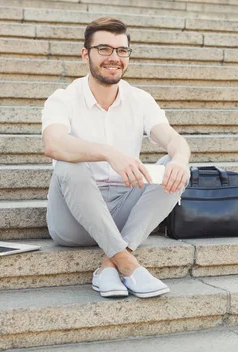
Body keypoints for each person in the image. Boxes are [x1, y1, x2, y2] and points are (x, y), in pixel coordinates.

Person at [41, 17, 191, 299]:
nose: (114, 58)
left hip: (123, 214)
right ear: (86, 54)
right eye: (104, 49)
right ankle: (129, 264)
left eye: (122, 51)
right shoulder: (63, 99)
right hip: (74, 221)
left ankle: (110, 263)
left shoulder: (140, 99)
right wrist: (108, 153)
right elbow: (53, 144)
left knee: (175, 167)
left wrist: (180, 161)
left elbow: (174, 141)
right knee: (67, 164)